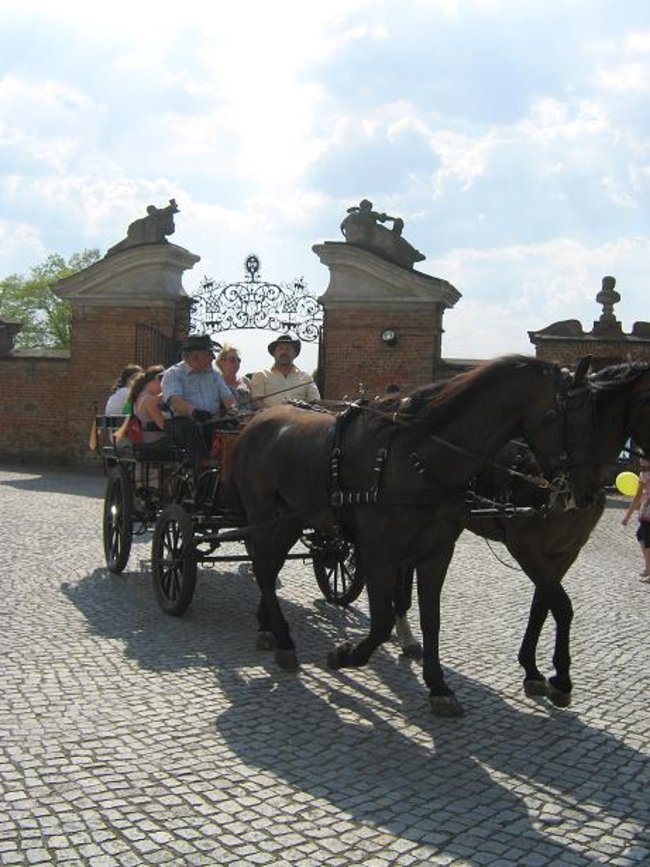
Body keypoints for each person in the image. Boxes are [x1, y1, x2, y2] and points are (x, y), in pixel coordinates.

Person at [161, 334, 236, 467]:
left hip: (210, 420)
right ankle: (202, 465)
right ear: (195, 356)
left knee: (231, 428)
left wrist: (233, 411)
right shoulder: (173, 374)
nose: (213, 358)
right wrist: (194, 412)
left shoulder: (214, 374)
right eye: (209, 353)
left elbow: (227, 397)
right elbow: (175, 401)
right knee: (192, 428)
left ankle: (229, 464)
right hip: (181, 422)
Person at [250, 334, 320, 408]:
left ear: (295, 354)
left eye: (288, 349)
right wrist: (277, 412)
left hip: (301, 415)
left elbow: (315, 401)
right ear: (274, 353)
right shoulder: (261, 375)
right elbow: (256, 402)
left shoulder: (306, 377)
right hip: (270, 415)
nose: (284, 352)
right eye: (280, 349)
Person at [622, 455, 650, 581]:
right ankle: (648, 568)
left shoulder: (645, 475)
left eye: (642, 456)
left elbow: (637, 497)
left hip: (648, 513)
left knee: (647, 541)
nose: (640, 459)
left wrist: (627, 516)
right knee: (641, 535)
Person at [215, 344, 253, 411]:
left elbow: (253, 403)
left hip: (250, 415)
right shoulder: (216, 382)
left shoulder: (245, 380)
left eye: (238, 360)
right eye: (232, 360)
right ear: (221, 362)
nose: (236, 362)